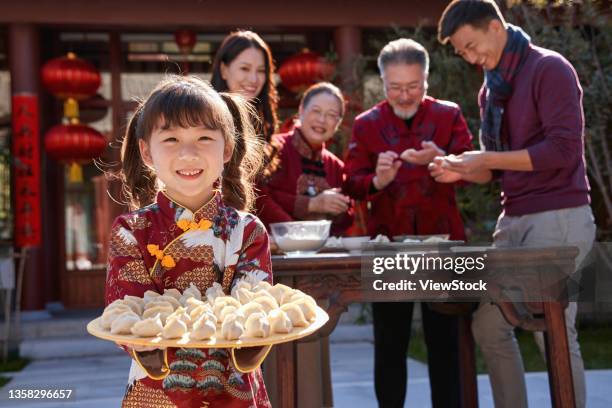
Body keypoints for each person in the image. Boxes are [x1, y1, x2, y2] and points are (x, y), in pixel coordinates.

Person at [433, 1, 596, 407]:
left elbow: (561, 151)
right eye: (462, 53)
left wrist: (485, 160)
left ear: (494, 26)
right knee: (489, 326)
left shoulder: (549, 68)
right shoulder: (493, 87)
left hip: (559, 216)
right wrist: (460, 168)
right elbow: (495, 169)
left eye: (472, 46)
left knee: (551, 330)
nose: (471, 57)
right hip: (514, 218)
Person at [105, 75, 272, 407]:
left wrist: (256, 336)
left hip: (233, 388)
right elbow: (124, 314)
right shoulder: (131, 231)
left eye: (204, 137)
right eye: (170, 139)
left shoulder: (247, 231)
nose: (188, 153)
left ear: (226, 148)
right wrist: (144, 341)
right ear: (146, 152)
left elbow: (257, 310)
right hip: (157, 391)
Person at [343, 38, 473, 408]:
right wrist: (377, 182)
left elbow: (476, 171)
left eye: (412, 86)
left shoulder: (448, 115)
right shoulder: (367, 124)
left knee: (447, 342)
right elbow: (351, 181)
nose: (404, 96)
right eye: (395, 87)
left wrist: (444, 160)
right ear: (382, 82)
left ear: (426, 80)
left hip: (445, 242)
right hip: (388, 242)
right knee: (389, 342)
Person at [256, 82, 353, 236]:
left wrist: (340, 208)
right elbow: (258, 197)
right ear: (301, 110)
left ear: (338, 123)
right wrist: (311, 204)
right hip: (275, 249)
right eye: (316, 111)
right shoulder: (273, 149)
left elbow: (346, 221)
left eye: (331, 115)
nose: (322, 120)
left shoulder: (336, 167)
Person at [211, 30, 279, 143]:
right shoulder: (206, 118)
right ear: (224, 70)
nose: (253, 79)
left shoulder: (262, 123)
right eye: (244, 68)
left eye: (261, 71)